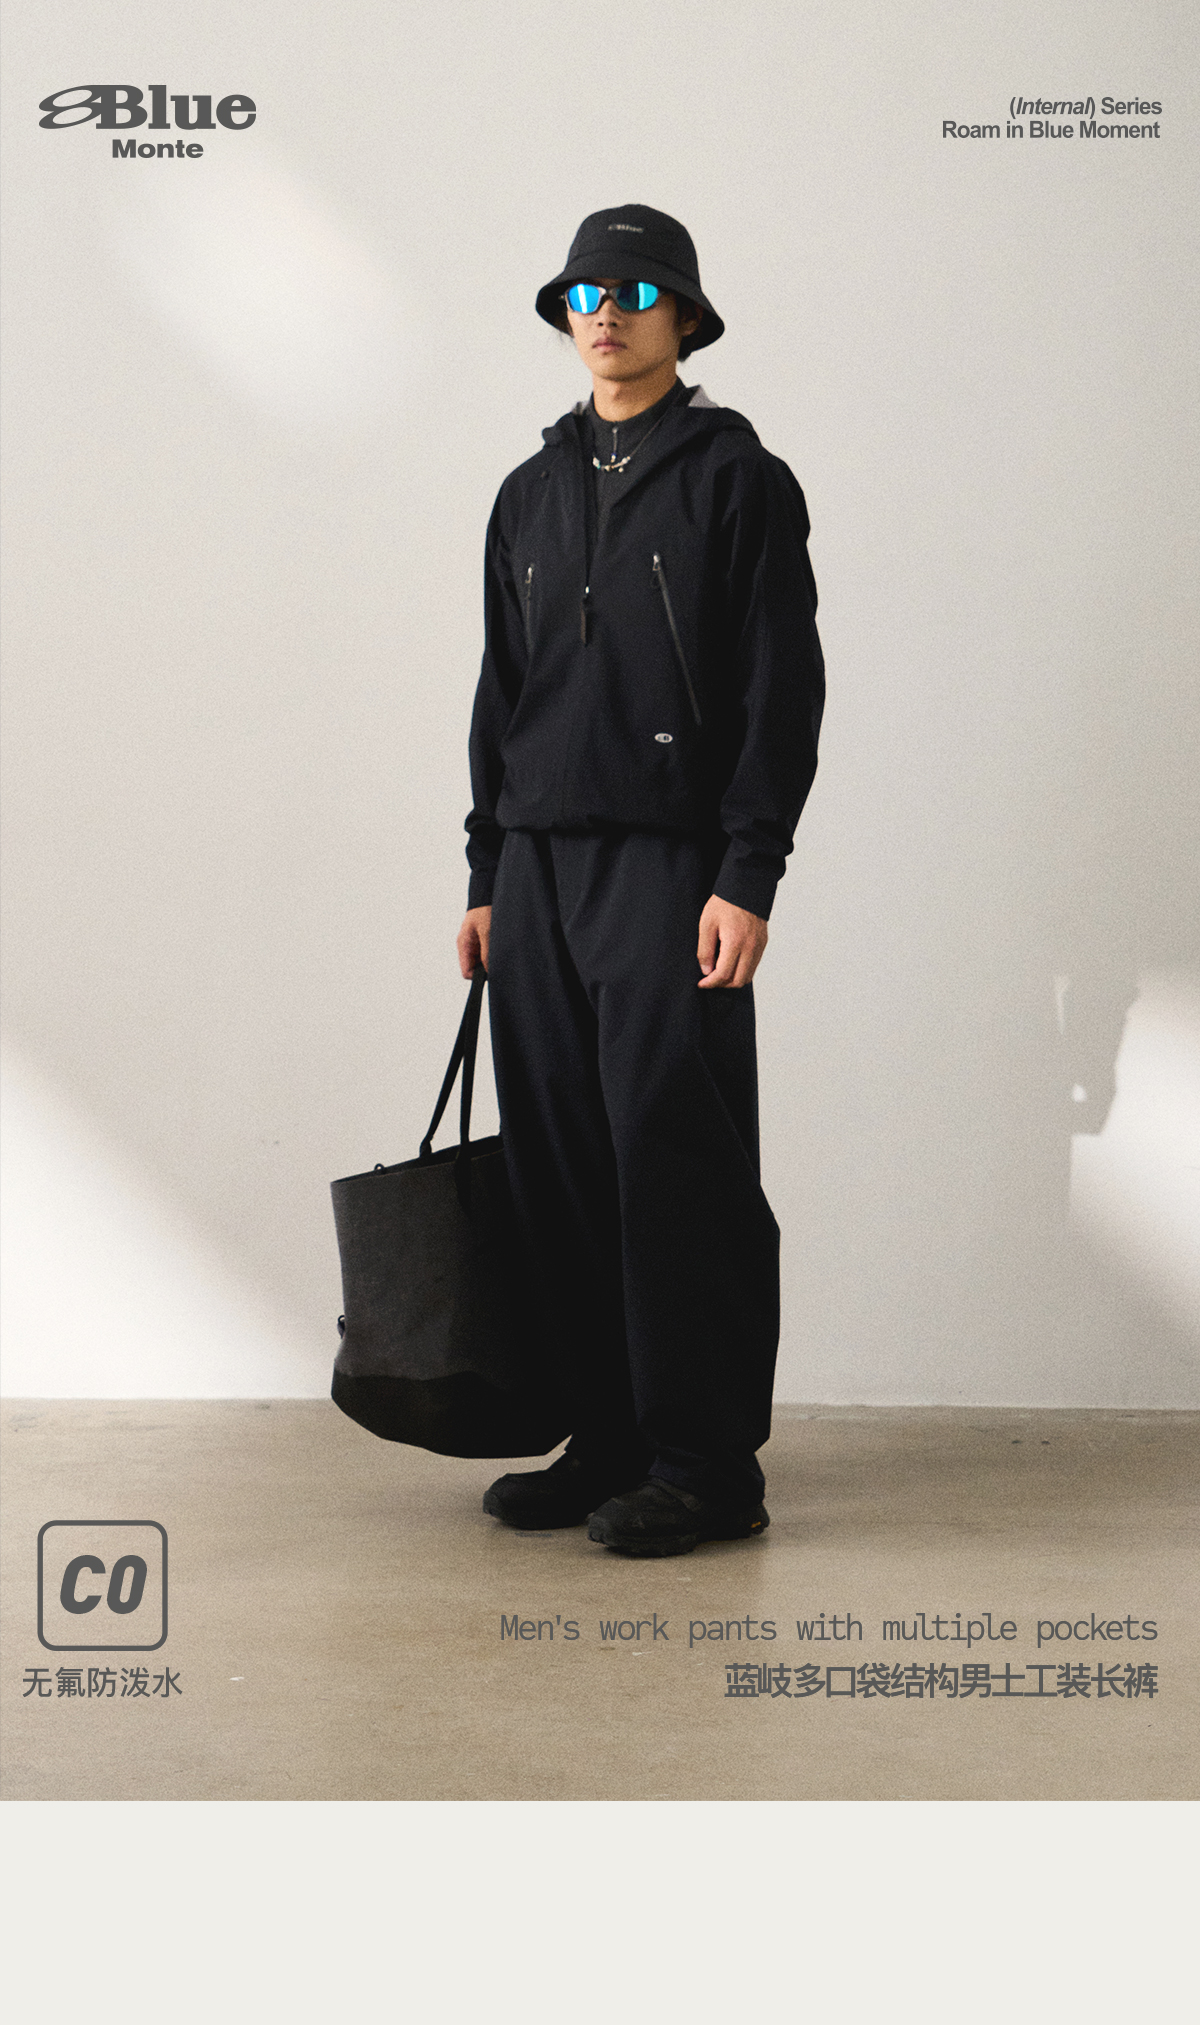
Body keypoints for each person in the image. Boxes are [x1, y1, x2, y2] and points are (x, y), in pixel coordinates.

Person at [456, 204, 824, 1557]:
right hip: (537, 872)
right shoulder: (529, 491)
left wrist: (748, 871)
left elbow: (783, 690)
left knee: (678, 1160)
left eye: (635, 289)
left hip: (672, 870)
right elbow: (502, 692)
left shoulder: (740, 480)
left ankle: (707, 1465)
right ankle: (606, 1436)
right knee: (560, 1162)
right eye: (584, 291)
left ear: (685, 316)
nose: (605, 311)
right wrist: (488, 867)